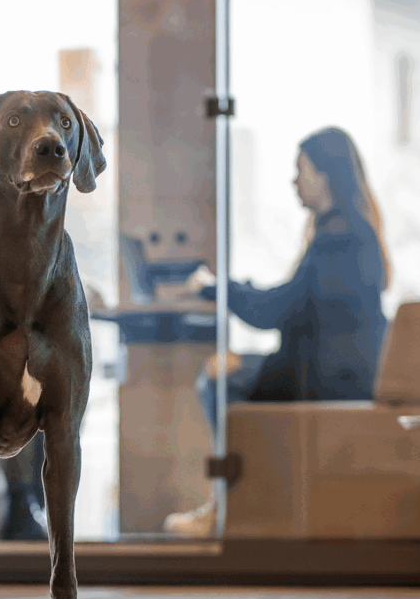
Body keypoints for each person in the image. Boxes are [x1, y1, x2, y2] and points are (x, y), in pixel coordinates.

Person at [163, 126, 392, 537]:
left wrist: (215, 288)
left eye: (300, 170)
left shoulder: (339, 238)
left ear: (325, 176)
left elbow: (275, 310)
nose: (294, 180)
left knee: (216, 379)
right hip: (331, 369)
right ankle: (234, 501)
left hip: (326, 378)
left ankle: (227, 506)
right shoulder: (350, 232)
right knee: (226, 367)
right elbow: (293, 304)